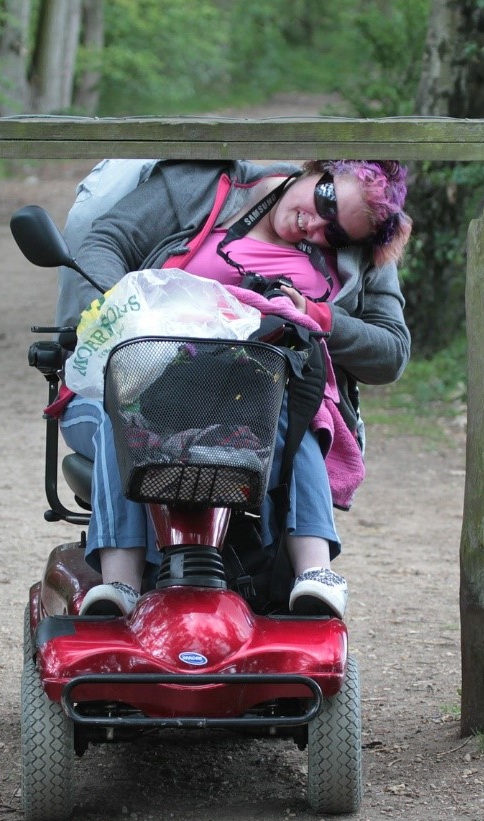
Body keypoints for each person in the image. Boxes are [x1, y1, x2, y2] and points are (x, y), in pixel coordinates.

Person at [56, 158, 412, 619]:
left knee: (298, 408)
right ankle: (119, 584)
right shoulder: (200, 186)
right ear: (316, 169)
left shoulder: (361, 255)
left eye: (336, 234)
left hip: (256, 397)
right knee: (120, 406)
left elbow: (391, 351)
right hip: (140, 375)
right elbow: (105, 241)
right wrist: (125, 315)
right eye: (325, 201)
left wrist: (317, 315)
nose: (317, 226)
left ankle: (315, 575)